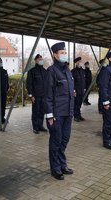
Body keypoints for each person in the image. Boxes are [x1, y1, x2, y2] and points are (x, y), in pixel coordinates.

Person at [44, 42, 75, 180]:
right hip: (56, 114)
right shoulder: (51, 71)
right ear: (55, 55)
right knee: (56, 142)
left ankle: (62, 164)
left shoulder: (68, 71)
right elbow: (47, 95)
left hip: (67, 113)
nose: (64, 54)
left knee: (64, 140)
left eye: (65, 52)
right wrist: (50, 115)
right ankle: (55, 169)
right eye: (61, 53)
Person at [26, 54, 48, 134]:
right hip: (36, 96)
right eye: (39, 59)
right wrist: (31, 95)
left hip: (44, 95)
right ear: (35, 61)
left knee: (42, 111)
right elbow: (29, 84)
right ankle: (35, 127)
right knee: (36, 111)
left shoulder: (45, 71)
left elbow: (47, 84)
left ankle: (40, 126)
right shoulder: (32, 71)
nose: (41, 61)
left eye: (41, 59)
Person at [71, 57, 86, 122]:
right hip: (76, 91)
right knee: (76, 104)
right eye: (79, 61)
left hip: (82, 90)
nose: (81, 62)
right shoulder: (73, 71)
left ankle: (79, 115)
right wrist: (73, 90)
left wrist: (84, 88)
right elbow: (72, 82)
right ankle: (76, 116)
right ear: (76, 63)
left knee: (79, 103)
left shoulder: (82, 71)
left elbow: (83, 80)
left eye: (81, 61)